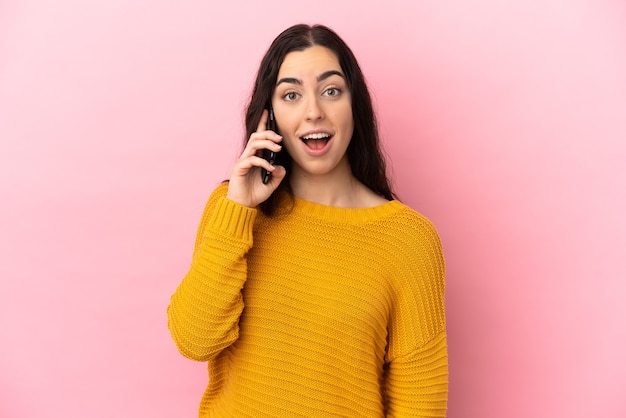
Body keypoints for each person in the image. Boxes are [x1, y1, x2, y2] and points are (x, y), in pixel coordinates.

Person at [167, 23, 448, 417]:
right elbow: (194, 340)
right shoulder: (231, 209)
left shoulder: (408, 240)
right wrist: (239, 211)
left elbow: (420, 406)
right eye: (291, 95)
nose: (313, 111)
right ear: (270, 116)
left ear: (355, 105)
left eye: (331, 91)